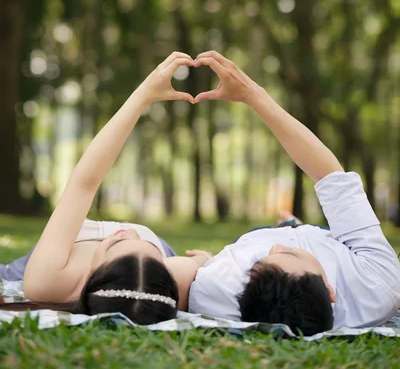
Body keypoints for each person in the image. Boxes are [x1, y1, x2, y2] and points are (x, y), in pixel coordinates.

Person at [188, 51, 400, 336]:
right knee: (311, 230)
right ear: (329, 289)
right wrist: (254, 95)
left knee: (276, 238)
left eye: (259, 263)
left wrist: (206, 262)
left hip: (258, 236)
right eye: (291, 253)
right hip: (336, 243)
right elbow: (331, 177)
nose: (276, 247)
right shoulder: (379, 283)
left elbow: (199, 275)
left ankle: (293, 228)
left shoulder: (217, 288)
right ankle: (297, 226)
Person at [0, 52, 212, 324]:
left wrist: (143, 95)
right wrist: (205, 260)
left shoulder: (48, 280)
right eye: (148, 248)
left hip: (53, 261)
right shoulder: (175, 275)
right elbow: (207, 264)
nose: (133, 231)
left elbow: (83, 184)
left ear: (95, 274)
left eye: (122, 240)